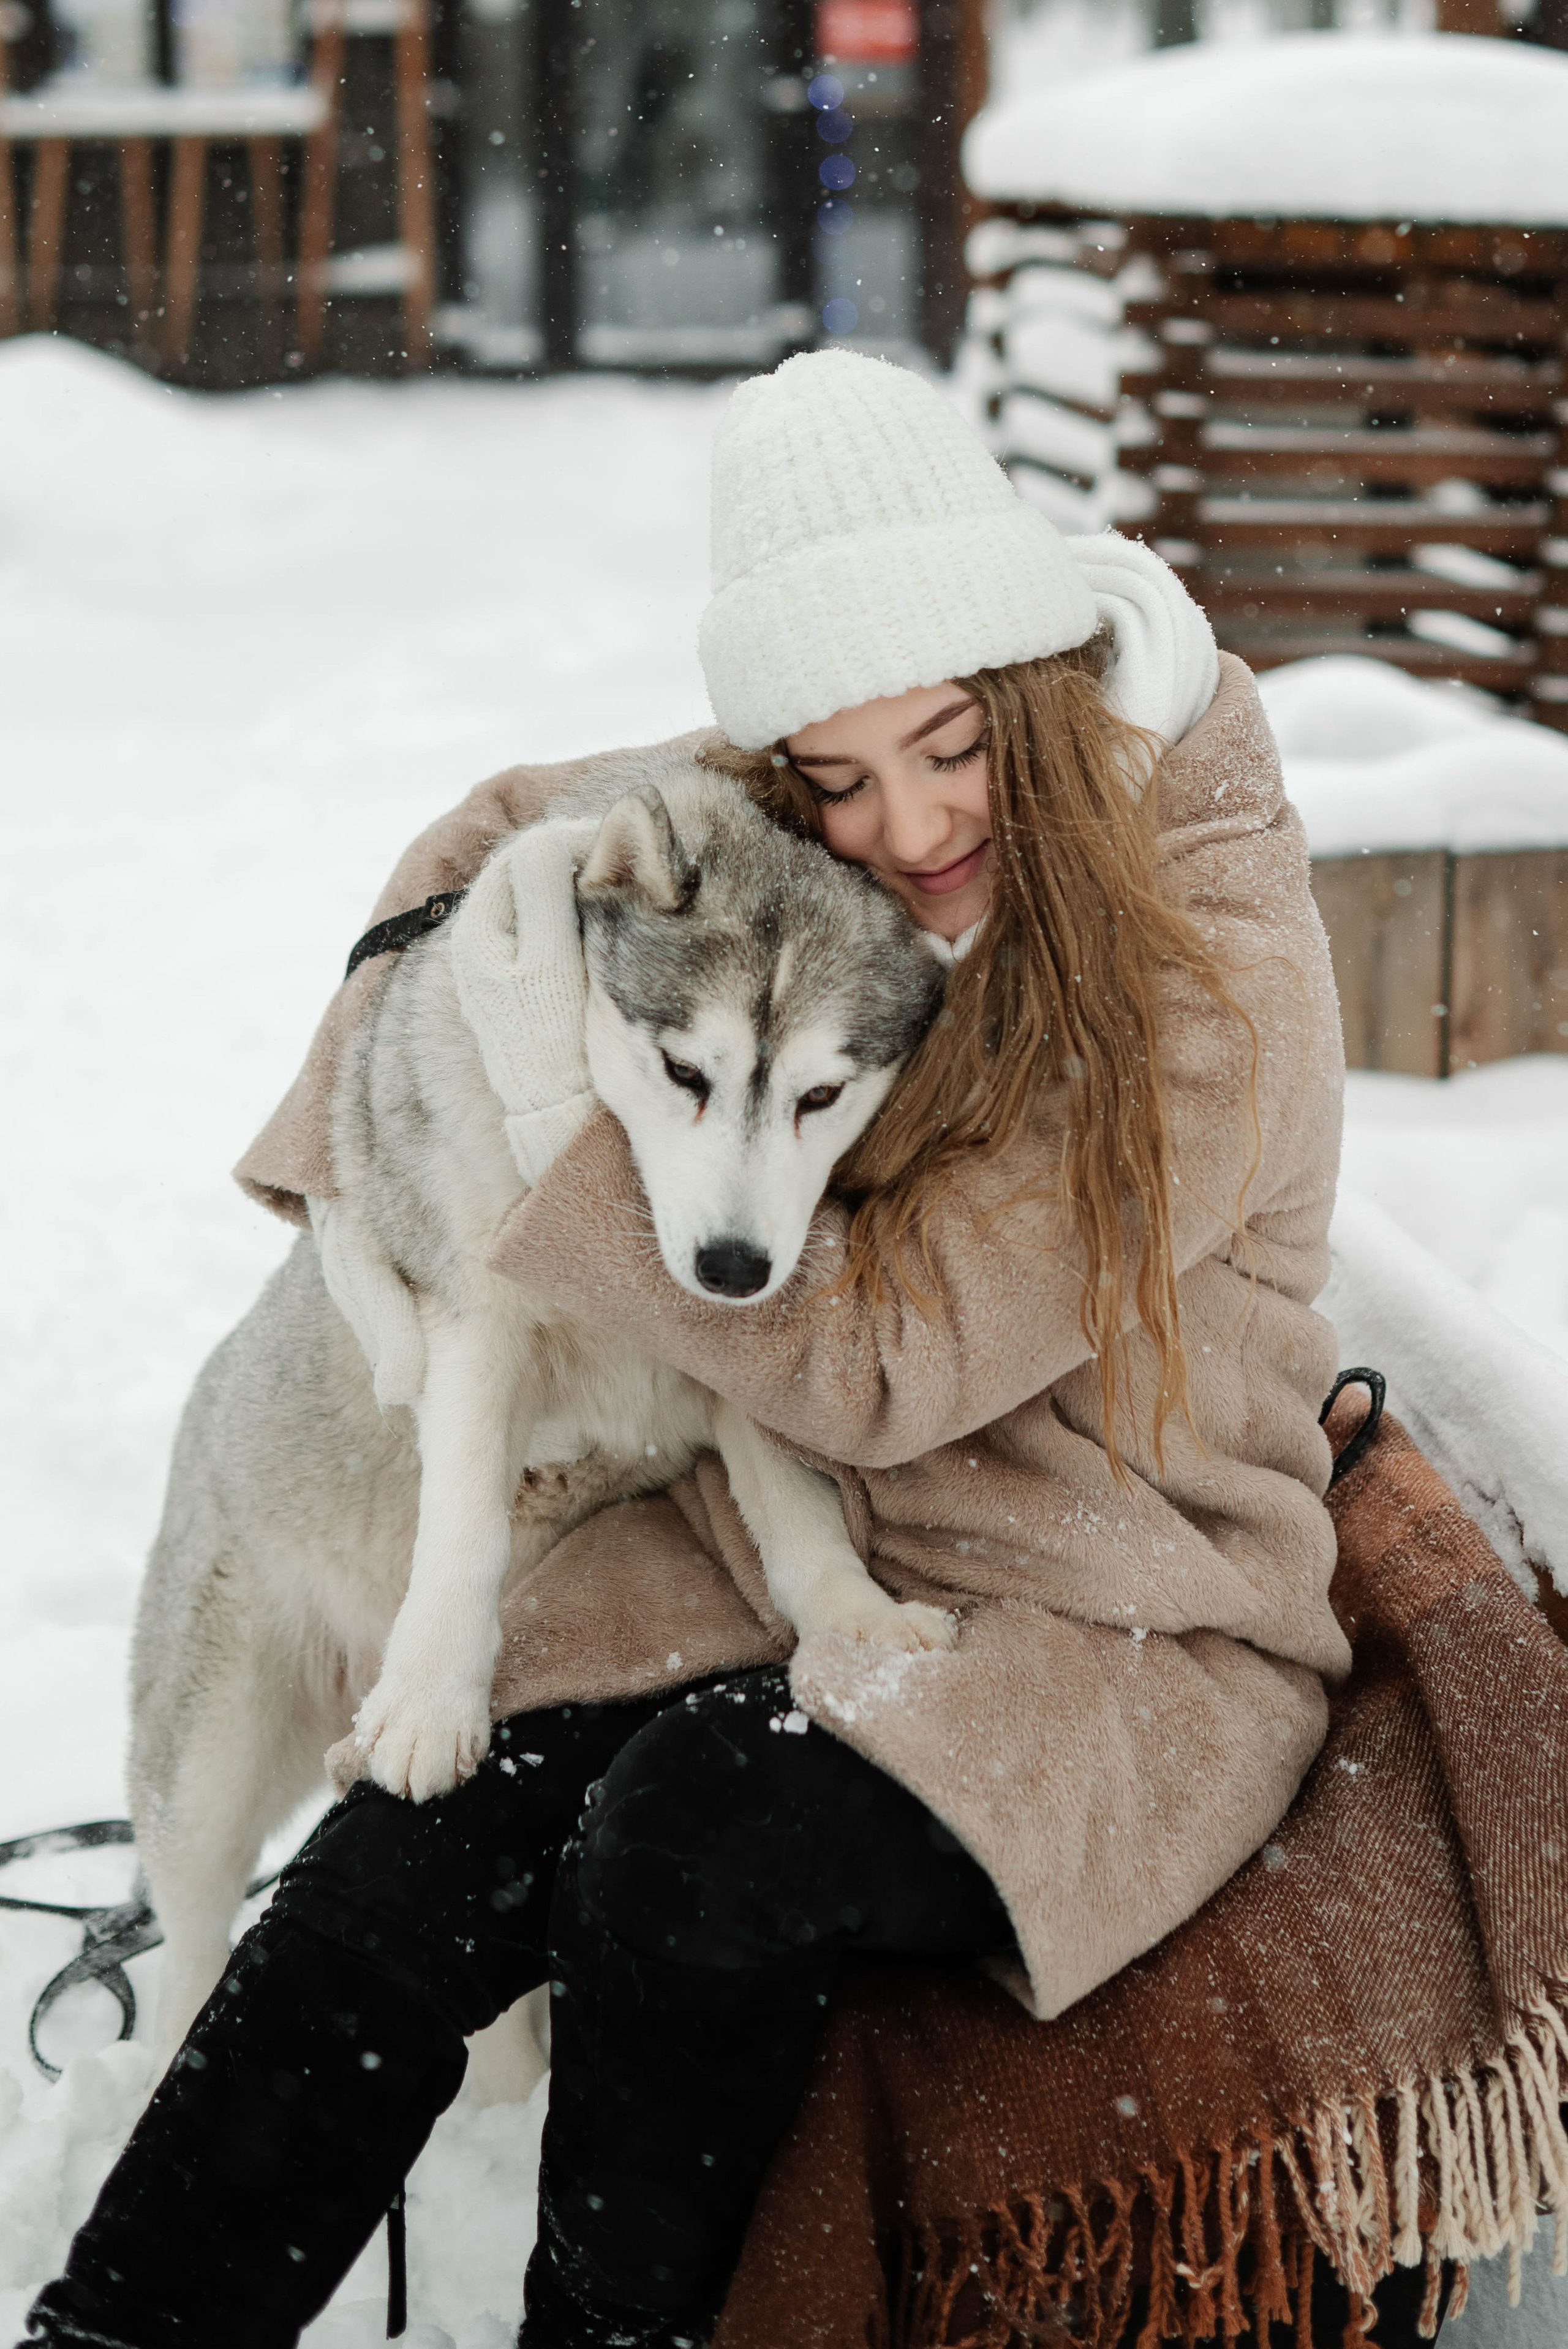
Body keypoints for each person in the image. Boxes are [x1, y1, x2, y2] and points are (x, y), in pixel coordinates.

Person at [23, 351, 1382, 2349]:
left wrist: (556, 1143)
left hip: (1118, 1614)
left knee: (684, 1842)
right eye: (837, 778)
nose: (904, 825)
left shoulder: (1205, 960)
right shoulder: (843, 791)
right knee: (410, 1846)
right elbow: (506, 828)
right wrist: (391, 1089)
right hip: (778, 1549)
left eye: (950, 748)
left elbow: (888, 1361)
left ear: (1024, 677)